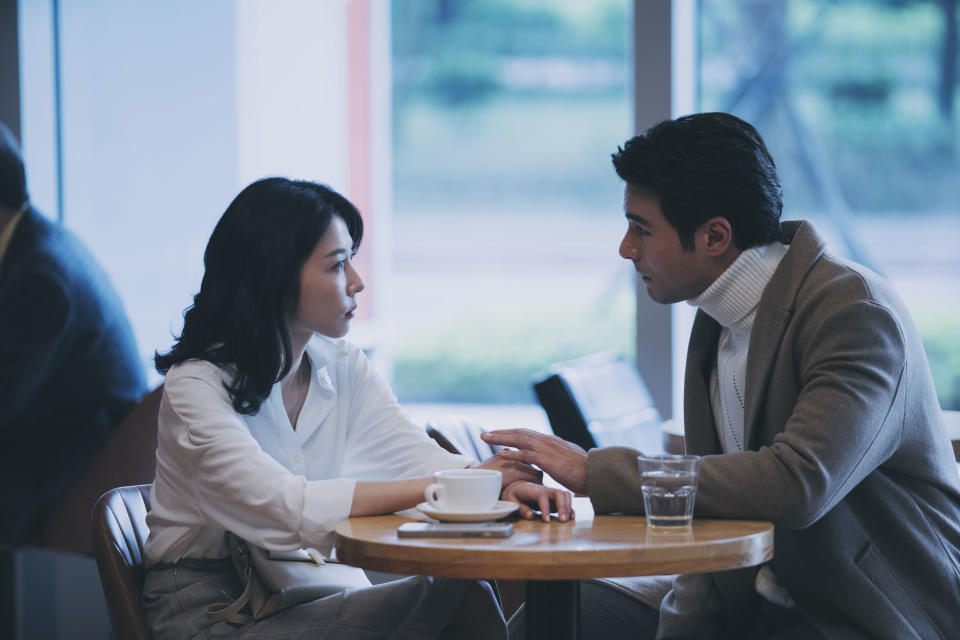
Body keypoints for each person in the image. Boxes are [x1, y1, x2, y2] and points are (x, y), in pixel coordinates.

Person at [484, 112, 960, 639]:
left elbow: (796, 484)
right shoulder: (717, 318)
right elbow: (712, 508)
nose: (626, 248)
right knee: (552, 623)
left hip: (862, 614)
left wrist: (597, 473)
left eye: (642, 228)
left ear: (714, 236)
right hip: (755, 602)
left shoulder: (853, 313)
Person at [143, 177, 572, 639]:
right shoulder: (195, 385)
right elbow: (287, 510)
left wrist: (495, 485)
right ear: (275, 276)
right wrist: (468, 482)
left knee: (465, 588)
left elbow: (413, 458)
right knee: (462, 595)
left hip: (307, 588)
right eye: (337, 265)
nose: (357, 281)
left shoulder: (340, 363)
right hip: (215, 611)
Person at [0, 121, 147, 546]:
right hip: (56, 426)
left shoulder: (42, 275)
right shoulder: (31, 242)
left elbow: (5, 398)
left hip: (82, 447)